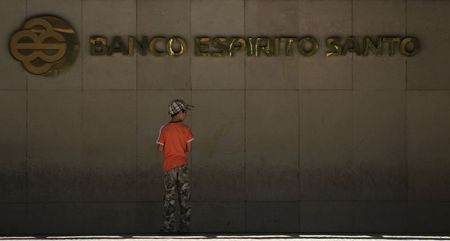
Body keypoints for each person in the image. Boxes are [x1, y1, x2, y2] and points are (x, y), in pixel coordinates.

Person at [156, 99, 194, 234]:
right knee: (184, 196)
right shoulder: (186, 129)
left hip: (169, 167)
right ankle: (185, 228)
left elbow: (160, 148)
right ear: (179, 113)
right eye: (184, 112)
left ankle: (169, 227)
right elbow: (189, 147)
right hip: (182, 166)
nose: (185, 114)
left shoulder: (164, 129)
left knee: (169, 197)